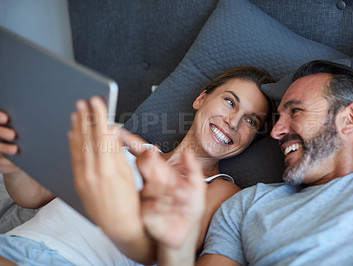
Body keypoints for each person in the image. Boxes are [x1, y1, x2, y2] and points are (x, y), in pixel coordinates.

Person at [68, 60, 353, 266]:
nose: (277, 133)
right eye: (277, 118)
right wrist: (176, 248)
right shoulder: (246, 206)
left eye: (296, 111)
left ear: (351, 117)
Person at [0, 66, 274, 265]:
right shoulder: (118, 142)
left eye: (251, 121)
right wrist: (13, 165)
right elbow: (34, 195)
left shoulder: (221, 191)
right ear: (201, 99)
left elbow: (163, 249)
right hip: (14, 243)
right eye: (229, 102)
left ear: (251, 139)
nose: (233, 121)